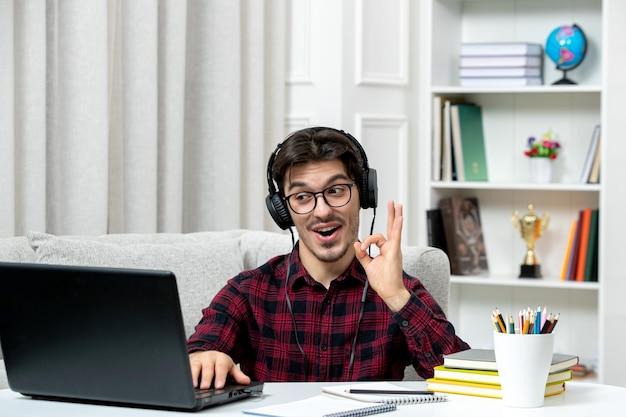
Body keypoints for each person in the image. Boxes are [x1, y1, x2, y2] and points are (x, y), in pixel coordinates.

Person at [187, 127, 469, 390]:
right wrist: (205, 357)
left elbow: (464, 382)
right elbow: (199, 351)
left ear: (363, 195)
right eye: (302, 197)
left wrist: (397, 297)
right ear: (282, 211)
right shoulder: (248, 291)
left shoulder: (399, 290)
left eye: (336, 191)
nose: (321, 212)